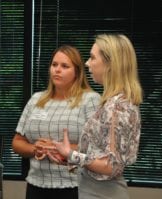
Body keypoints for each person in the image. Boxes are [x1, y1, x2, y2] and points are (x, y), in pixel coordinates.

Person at [52, 34, 143, 199]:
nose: (87, 63)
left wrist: (71, 155)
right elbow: (102, 154)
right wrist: (70, 155)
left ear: (110, 64)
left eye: (92, 58)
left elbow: (111, 166)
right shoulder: (116, 102)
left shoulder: (116, 107)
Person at [12, 45, 101, 199]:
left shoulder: (90, 100)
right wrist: (36, 148)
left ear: (77, 72)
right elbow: (17, 142)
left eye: (64, 66)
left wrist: (56, 148)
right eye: (54, 65)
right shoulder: (36, 99)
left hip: (75, 187)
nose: (57, 70)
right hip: (36, 186)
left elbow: (98, 147)